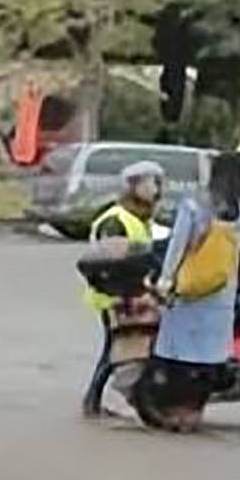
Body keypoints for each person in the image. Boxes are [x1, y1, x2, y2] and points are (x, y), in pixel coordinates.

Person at [141, 150, 240, 433]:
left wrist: (165, 280)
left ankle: (176, 414)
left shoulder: (195, 206)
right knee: (208, 361)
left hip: (190, 294)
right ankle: (193, 414)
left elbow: (177, 246)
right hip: (220, 296)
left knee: (178, 358)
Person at [78, 160, 162, 418]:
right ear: (131, 186)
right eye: (148, 182)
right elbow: (109, 260)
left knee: (123, 346)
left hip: (133, 294)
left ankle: (101, 401)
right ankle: (93, 402)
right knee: (115, 347)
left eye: (157, 182)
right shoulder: (115, 220)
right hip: (112, 297)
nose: (154, 188)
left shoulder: (141, 217)